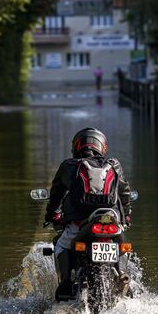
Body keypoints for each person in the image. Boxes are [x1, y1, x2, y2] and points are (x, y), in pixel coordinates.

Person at [44, 127, 132, 301]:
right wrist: (127, 216)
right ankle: (122, 274)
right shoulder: (114, 165)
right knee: (124, 248)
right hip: (111, 222)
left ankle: (67, 282)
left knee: (61, 245)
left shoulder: (69, 165)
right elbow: (125, 193)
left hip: (79, 224)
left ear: (77, 146)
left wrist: (52, 215)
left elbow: (56, 194)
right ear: (102, 146)